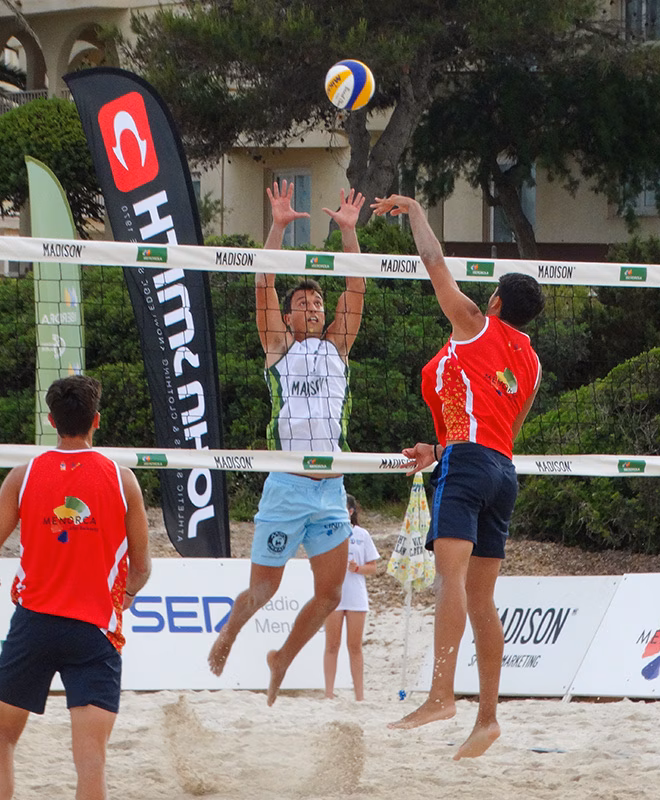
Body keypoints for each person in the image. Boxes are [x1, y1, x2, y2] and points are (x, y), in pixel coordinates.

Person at [373, 194, 544, 760]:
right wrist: (437, 448)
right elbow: (501, 424)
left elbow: (434, 263)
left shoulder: (474, 325)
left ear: (494, 301)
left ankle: (440, 696)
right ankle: (488, 718)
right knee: (480, 599)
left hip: (470, 464)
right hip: (500, 470)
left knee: (450, 581)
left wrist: (417, 212)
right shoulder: (531, 361)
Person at [207, 181, 366, 705]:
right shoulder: (279, 346)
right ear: (290, 315)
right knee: (262, 591)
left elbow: (357, 287)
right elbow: (263, 283)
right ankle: (229, 635)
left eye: (319, 300)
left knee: (330, 593)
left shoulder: (338, 347)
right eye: (304, 302)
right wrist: (276, 225)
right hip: (286, 486)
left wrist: (348, 233)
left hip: (330, 491)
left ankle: (281, 659)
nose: (314, 306)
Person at [0, 375, 150, 800]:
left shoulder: (23, 475)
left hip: (34, 623)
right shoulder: (123, 480)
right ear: (96, 421)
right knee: (90, 761)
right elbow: (142, 569)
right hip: (93, 629)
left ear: (51, 420)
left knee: (1, 740)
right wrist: (118, 601)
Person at [323, 494, 381, 701]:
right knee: (332, 645)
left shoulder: (362, 534)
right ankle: (329, 693)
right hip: (333, 594)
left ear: (350, 511)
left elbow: (373, 567)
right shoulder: (328, 532)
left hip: (356, 594)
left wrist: (357, 568)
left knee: (354, 646)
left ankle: (359, 695)